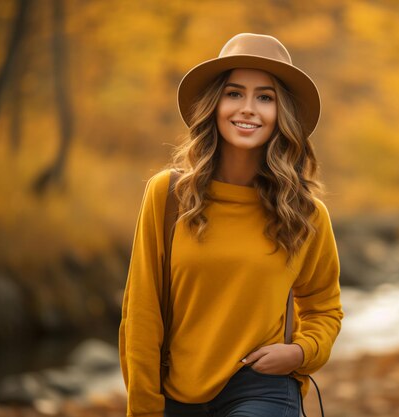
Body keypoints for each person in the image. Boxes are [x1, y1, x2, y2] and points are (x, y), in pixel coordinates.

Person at [119, 33, 343, 417]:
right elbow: (141, 312)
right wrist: (143, 408)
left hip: (263, 385)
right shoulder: (168, 195)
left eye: (265, 97)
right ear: (215, 104)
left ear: (281, 113)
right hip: (178, 388)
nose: (249, 109)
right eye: (235, 93)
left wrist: (300, 353)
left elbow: (324, 307)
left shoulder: (305, 213)